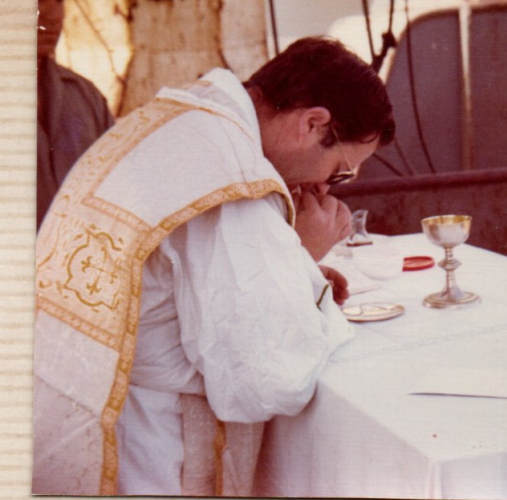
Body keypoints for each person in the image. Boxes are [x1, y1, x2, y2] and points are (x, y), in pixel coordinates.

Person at [32, 37, 395, 496]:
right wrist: (301, 256)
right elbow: (269, 378)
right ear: (312, 123)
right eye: (340, 168)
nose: (326, 186)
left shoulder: (184, 120)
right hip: (157, 451)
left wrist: (288, 267)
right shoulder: (232, 178)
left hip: (84, 402)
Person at [37, 0, 115, 229]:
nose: (52, 14)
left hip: (77, 258)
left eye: (59, 2)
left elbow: (116, 187)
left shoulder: (84, 95)